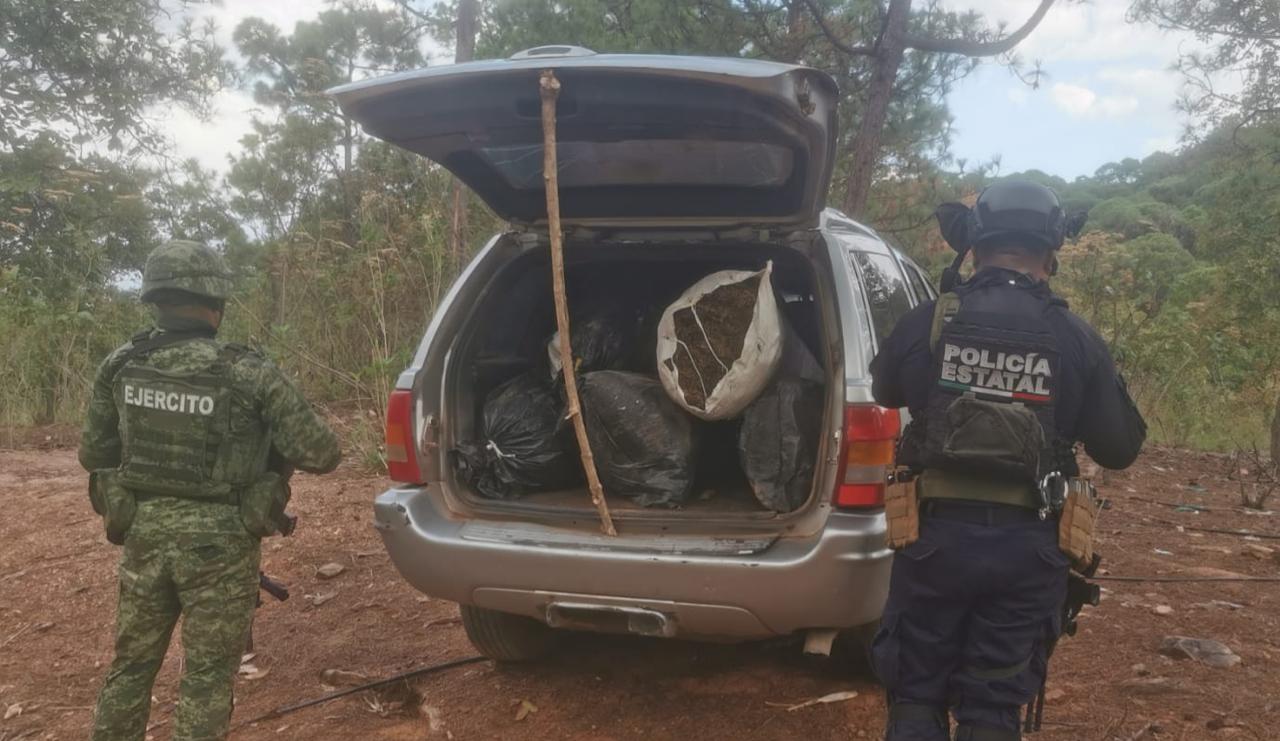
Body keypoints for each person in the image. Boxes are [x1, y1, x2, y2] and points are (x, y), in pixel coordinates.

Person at [868, 181, 1147, 741]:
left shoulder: (930, 320)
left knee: (916, 698)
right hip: (1028, 552)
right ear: (1052, 252)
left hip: (933, 542)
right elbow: (1119, 449)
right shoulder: (1074, 337)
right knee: (993, 711)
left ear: (974, 246)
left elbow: (884, 389)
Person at [78, 239, 341, 741]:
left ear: (155, 300)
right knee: (205, 679)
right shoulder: (248, 371)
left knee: (130, 668)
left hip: (145, 537)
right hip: (222, 544)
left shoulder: (120, 365)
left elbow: (94, 454)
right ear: (215, 304)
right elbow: (322, 453)